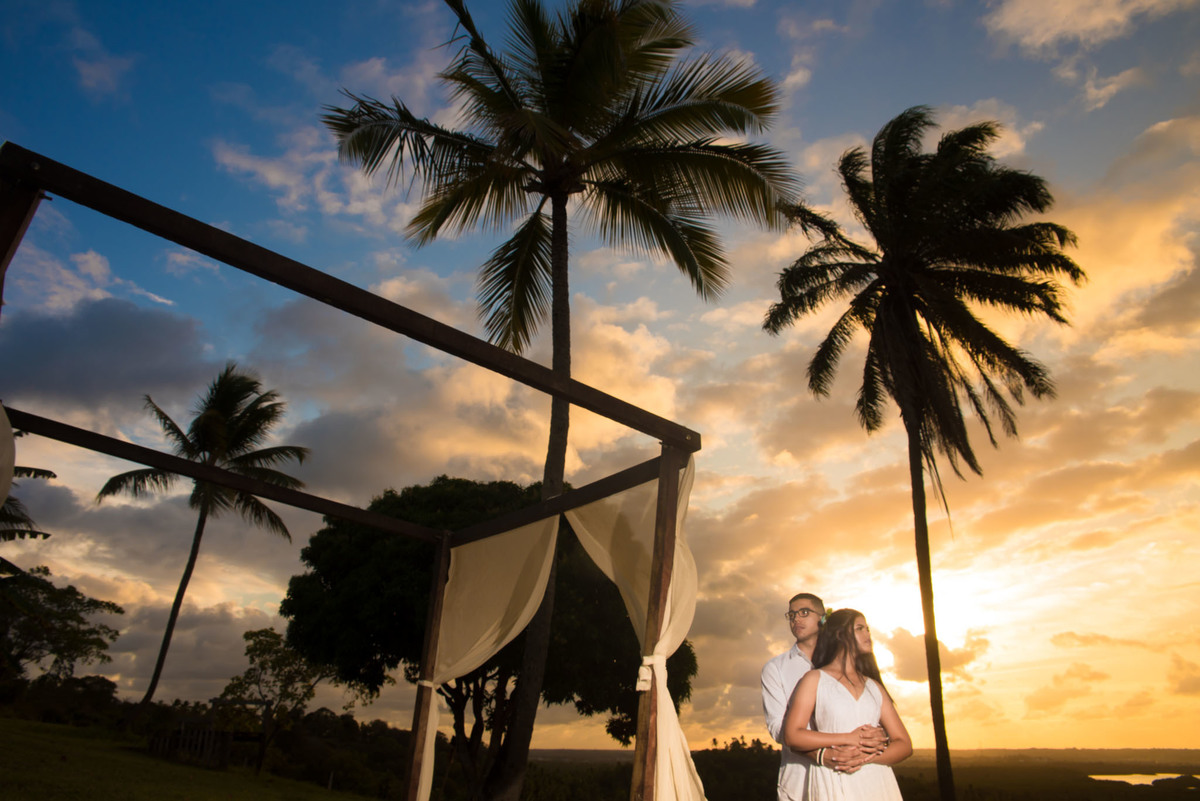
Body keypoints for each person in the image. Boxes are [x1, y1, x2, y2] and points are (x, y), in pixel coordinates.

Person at [762, 594, 884, 800]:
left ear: (823, 618)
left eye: (804, 612)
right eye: (791, 615)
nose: (796, 619)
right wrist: (822, 753)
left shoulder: (850, 665)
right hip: (799, 778)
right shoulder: (776, 668)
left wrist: (876, 737)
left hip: (853, 775)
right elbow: (778, 729)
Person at [782, 608, 912, 800]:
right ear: (840, 634)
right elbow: (793, 735)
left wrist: (866, 758)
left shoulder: (874, 686)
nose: (868, 634)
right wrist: (848, 738)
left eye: (868, 629)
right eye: (860, 628)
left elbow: (904, 744)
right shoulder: (814, 679)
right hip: (835, 777)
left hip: (877, 782)